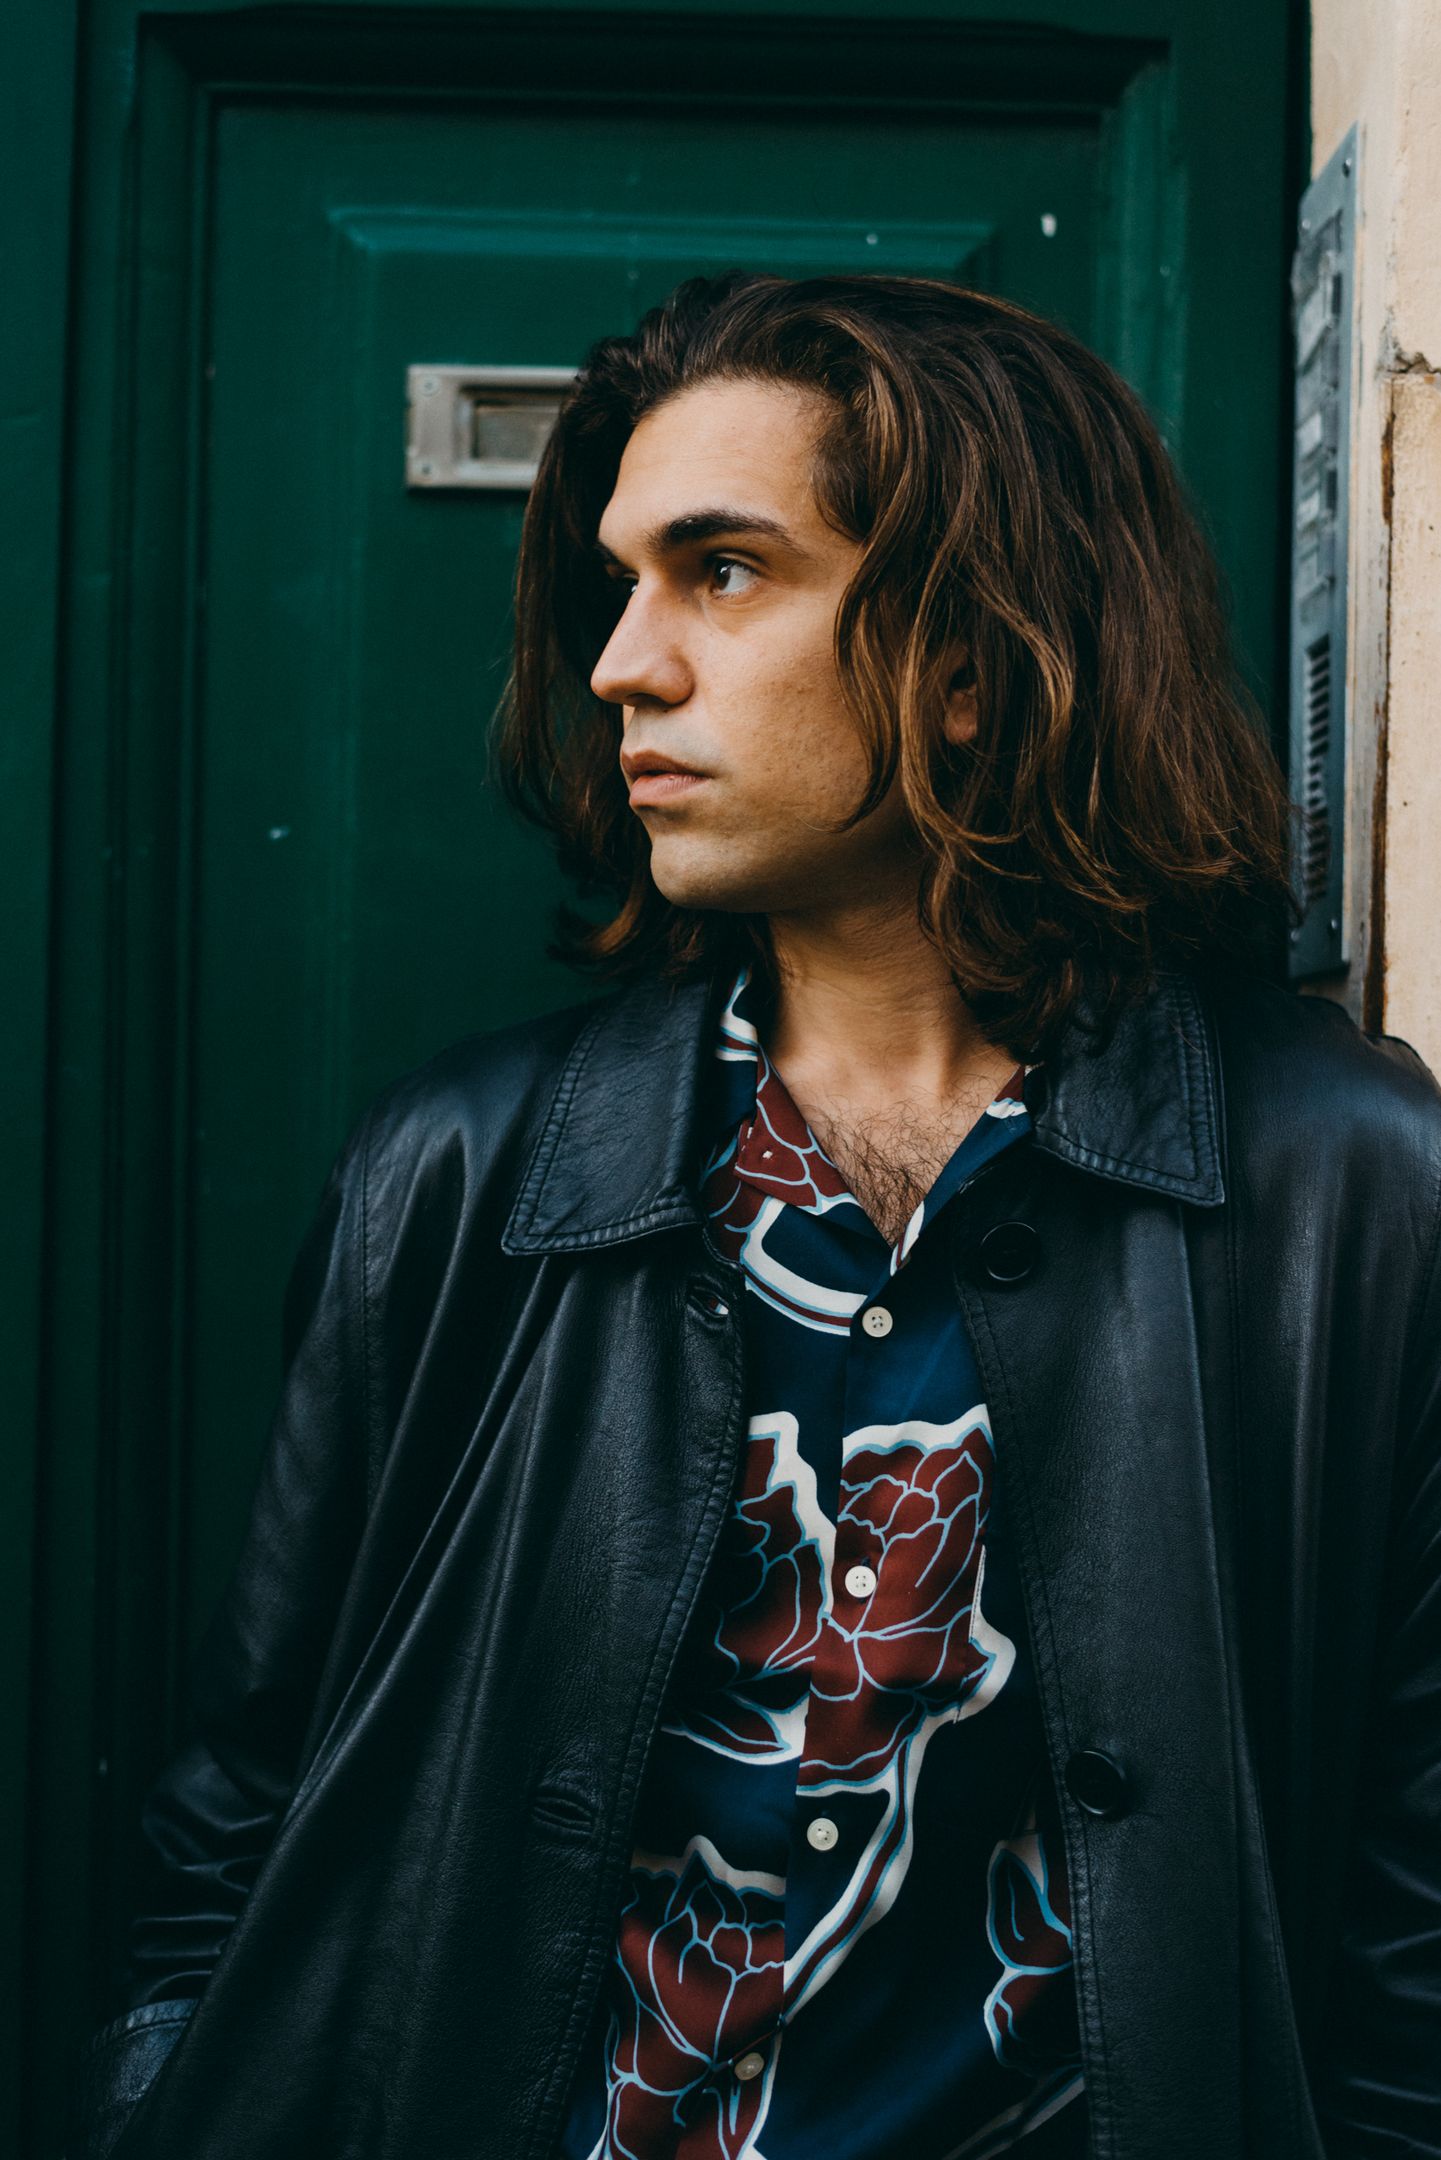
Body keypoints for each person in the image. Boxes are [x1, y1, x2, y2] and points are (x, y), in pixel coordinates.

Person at [69, 272, 1441, 2160]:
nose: (623, 665)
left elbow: (1410, 1937)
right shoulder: (461, 1177)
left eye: (721, 571)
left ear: (974, 652)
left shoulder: (1345, 1194)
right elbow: (248, 1823)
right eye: (620, 586)